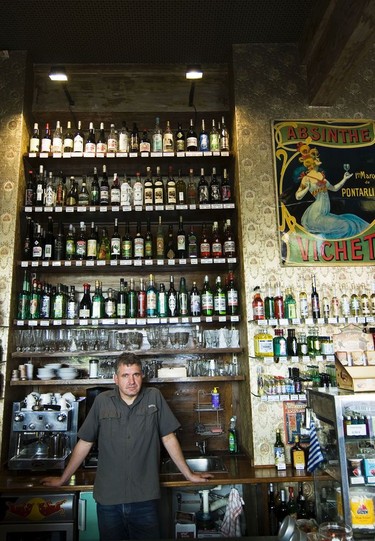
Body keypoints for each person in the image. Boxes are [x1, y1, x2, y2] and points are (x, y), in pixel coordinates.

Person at [41, 353, 213, 540]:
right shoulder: (102, 401)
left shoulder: (153, 397)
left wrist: (189, 474)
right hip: (109, 499)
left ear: (142, 376)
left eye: (136, 375)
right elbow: (85, 442)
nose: (131, 381)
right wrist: (63, 479)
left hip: (145, 498)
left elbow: (168, 438)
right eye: (125, 375)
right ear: (115, 378)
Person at [295, 142, 369, 238]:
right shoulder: (307, 178)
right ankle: (325, 240)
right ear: (312, 162)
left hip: (325, 213)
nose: (318, 159)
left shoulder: (321, 176)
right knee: (345, 226)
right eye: (316, 158)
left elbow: (334, 188)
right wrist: (307, 188)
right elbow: (298, 196)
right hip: (316, 215)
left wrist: (344, 179)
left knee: (352, 220)